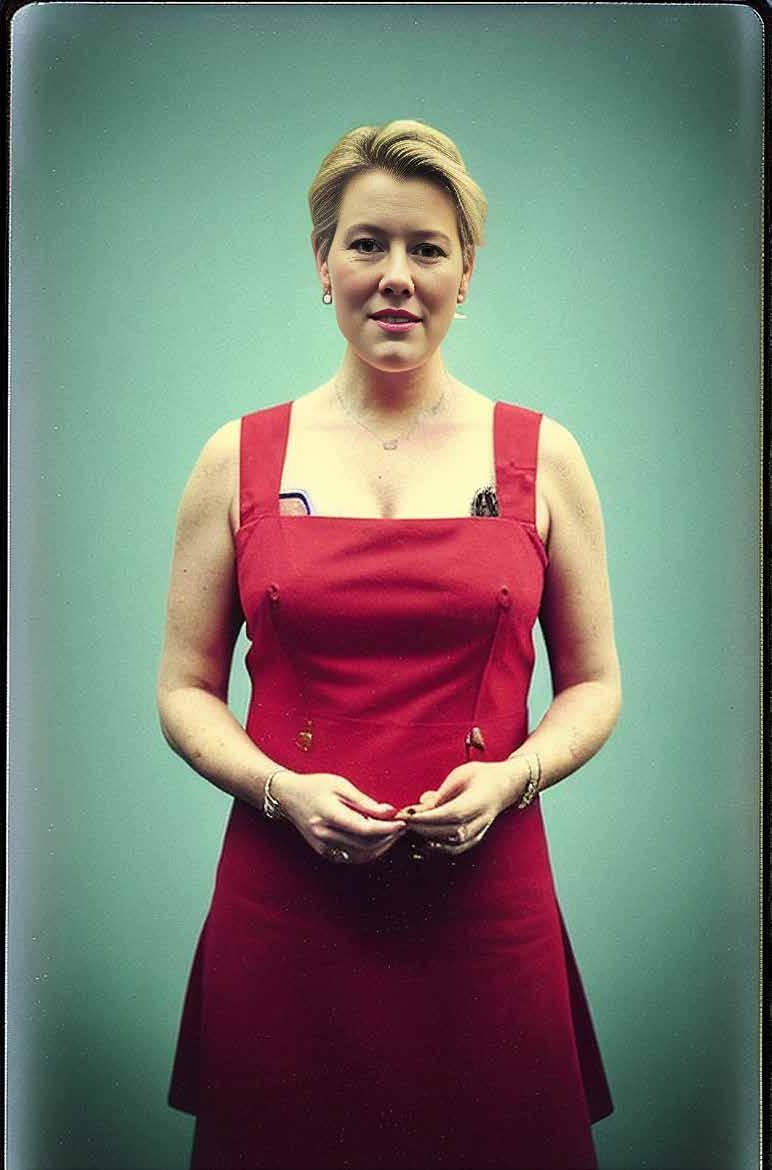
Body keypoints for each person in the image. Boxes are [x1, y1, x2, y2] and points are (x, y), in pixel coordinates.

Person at [157, 118, 622, 1170]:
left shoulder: (544, 455)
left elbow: (595, 683)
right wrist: (281, 790)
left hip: (486, 910)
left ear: (467, 273)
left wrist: (512, 778)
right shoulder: (237, 456)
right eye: (367, 244)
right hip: (286, 903)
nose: (397, 276)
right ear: (324, 264)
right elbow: (183, 689)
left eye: (428, 248)